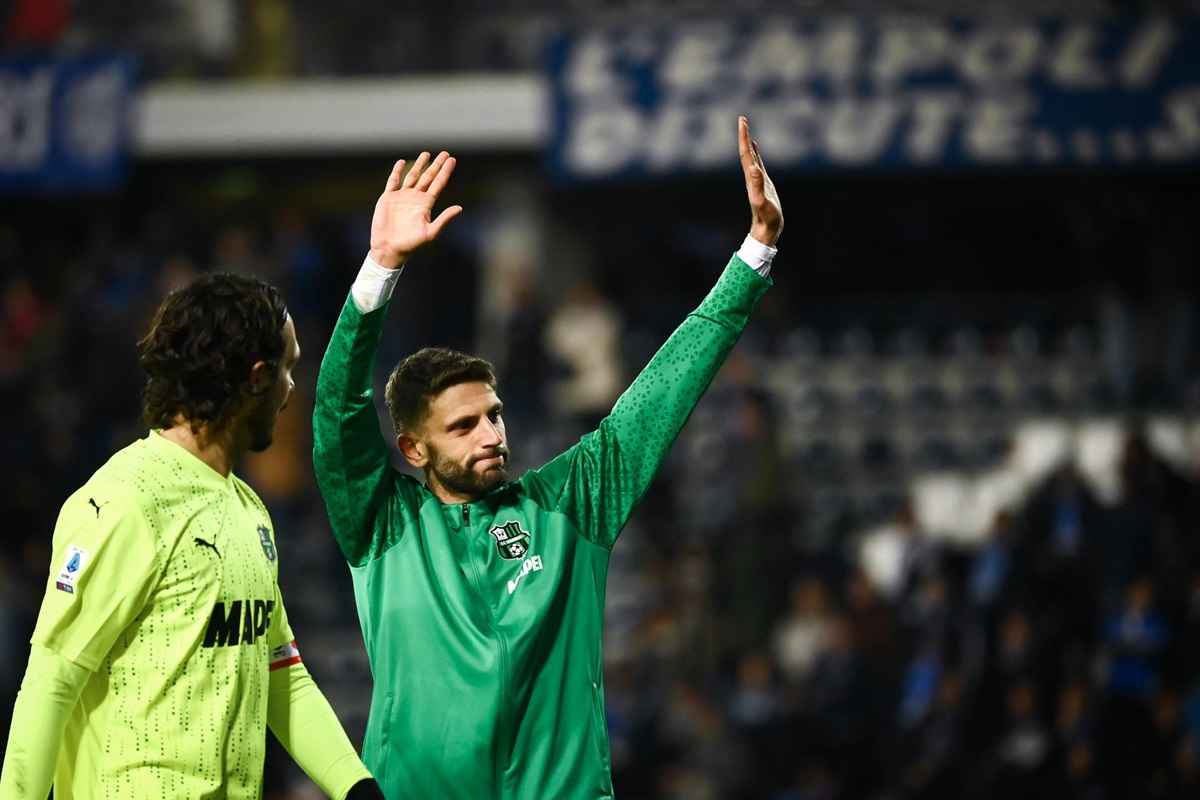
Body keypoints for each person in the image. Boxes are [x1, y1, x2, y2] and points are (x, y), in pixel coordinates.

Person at [313, 115, 783, 798]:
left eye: (495, 416)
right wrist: (380, 267)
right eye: (464, 425)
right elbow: (336, 410)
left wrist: (755, 256)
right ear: (413, 448)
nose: (491, 435)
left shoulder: (569, 505)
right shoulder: (381, 522)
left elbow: (656, 401)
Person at [0, 274, 383, 799]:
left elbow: (280, 672)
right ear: (255, 378)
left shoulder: (248, 509)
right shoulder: (126, 502)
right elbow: (51, 682)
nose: (292, 390)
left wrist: (354, 785)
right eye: (288, 369)